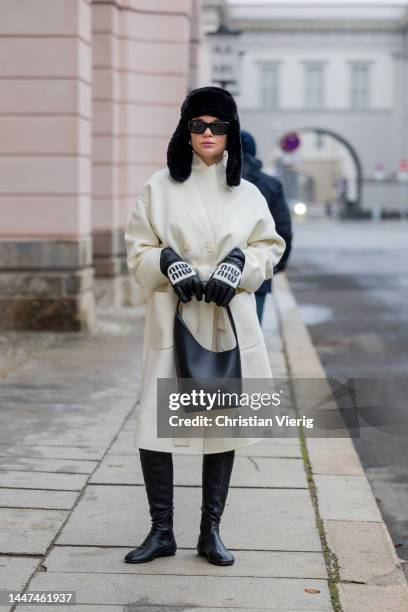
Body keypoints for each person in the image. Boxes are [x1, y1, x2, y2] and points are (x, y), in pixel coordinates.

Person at [123, 86, 286, 567]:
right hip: (171, 320)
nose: (209, 133)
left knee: (222, 426)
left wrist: (241, 264)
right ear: (186, 131)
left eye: (218, 125)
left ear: (230, 132)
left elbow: (270, 246)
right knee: (157, 426)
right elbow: (137, 249)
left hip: (227, 322)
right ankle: (161, 531)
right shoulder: (158, 187)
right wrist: (166, 261)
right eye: (199, 125)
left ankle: (210, 531)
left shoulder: (248, 193)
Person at [241, 130, 293, 324]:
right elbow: (283, 229)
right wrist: (279, 263)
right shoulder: (271, 185)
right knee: (251, 338)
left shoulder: (217, 181)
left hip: (219, 275)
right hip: (259, 272)